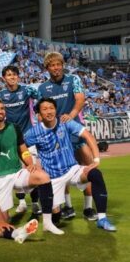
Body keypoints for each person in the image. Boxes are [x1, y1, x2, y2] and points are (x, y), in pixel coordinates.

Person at [24, 98, 116, 232]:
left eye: (51, 108)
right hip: (52, 177)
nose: (49, 111)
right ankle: (53, 210)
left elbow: (88, 136)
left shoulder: (65, 122)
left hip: (72, 170)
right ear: (38, 114)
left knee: (95, 174)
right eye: (45, 109)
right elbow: (21, 147)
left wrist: (96, 160)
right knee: (55, 219)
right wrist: (30, 163)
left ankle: (102, 218)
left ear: (56, 109)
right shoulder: (33, 132)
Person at [0, 99, 63, 235]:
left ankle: (48, 222)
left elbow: (23, 150)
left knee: (43, 176)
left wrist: (30, 163)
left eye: (2, 108)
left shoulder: (14, 127)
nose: (0, 111)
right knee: (4, 221)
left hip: (16, 173)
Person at [39, 52, 96, 221]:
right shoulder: (43, 88)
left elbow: (80, 99)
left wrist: (71, 115)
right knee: (60, 172)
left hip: (74, 131)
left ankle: (88, 208)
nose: (56, 68)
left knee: (87, 167)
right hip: (56, 135)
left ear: (62, 65)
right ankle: (68, 207)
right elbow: (44, 109)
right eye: (52, 65)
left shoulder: (73, 79)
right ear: (47, 68)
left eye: (58, 64)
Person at [0, 65, 41, 215]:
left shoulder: (27, 90)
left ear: (18, 77)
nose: (12, 77)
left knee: (32, 169)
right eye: (8, 75)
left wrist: (37, 111)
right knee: (15, 172)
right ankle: (22, 202)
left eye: (14, 74)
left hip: (29, 136)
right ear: (4, 78)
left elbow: (41, 98)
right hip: (11, 138)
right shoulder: (0, 95)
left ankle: (35, 203)